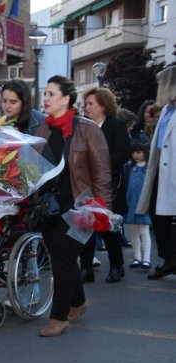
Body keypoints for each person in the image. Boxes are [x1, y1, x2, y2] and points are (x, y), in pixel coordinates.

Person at [34, 75, 112, 337]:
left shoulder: (88, 129)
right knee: (61, 257)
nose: (45, 98)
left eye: (51, 94)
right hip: (50, 207)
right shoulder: (41, 130)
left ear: (66, 99)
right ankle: (77, 303)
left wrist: (103, 210)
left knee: (63, 255)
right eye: (45, 93)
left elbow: (102, 171)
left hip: (80, 206)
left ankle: (59, 317)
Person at [81, 87, 130, 283]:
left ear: (103, 105)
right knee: (85, 225)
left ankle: (117, 266)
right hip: (87, 183)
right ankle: (86, 268)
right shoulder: (84, 126)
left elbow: (123, 154)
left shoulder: (116, 125)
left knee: (108, 227)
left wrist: (98, 161)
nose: (87, 107)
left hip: (110, 184)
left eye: (91, 104)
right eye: (86, 104)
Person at [136, 66, 176, 280]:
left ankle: (170, 259)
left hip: (172, 171)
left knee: (163, 216)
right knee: (157, 214)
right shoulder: (167, 110)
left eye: (161, 83)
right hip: (161, 168)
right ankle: (169, 258)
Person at [123, 142, 152, 271]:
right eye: (134, 152)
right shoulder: (128, 167)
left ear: (145, 153)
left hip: (144, 203)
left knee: (144, 231)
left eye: (139, 152)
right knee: (134, 232)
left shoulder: (149, 167)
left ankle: (146, 259)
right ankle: (137, 257)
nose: (136, 155)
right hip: (131, 203)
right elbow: (125, 183)